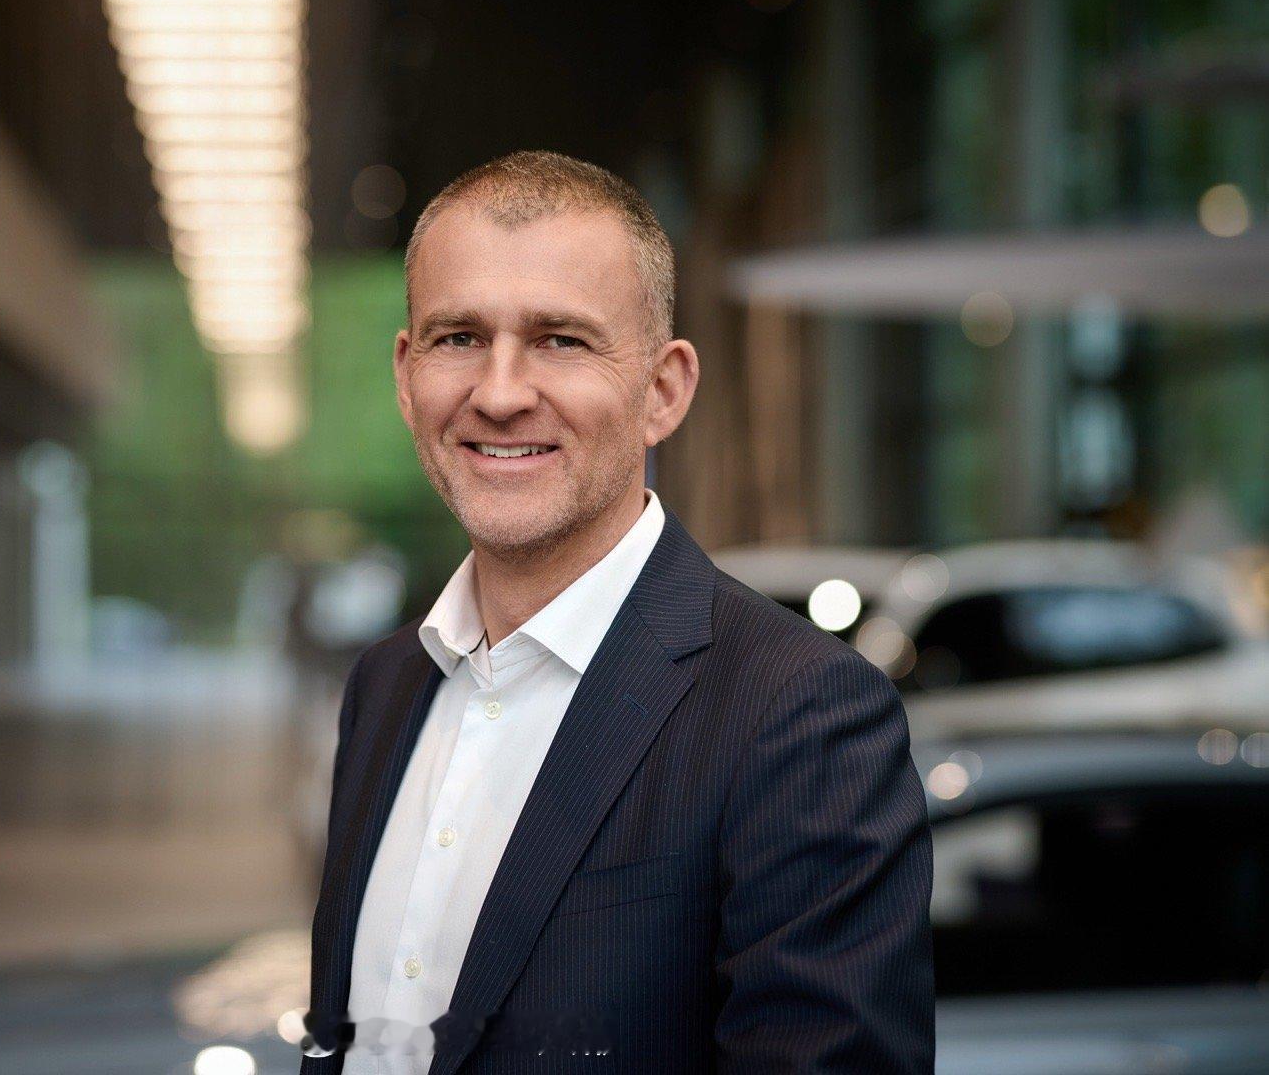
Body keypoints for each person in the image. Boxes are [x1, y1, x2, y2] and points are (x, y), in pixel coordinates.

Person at [303, 151, 933, 1074]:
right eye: (458, 337)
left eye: (561, 340)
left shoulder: (802, 714)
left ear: (664, 391)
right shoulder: (386, 684)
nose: (500, 393)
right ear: (407, 376)